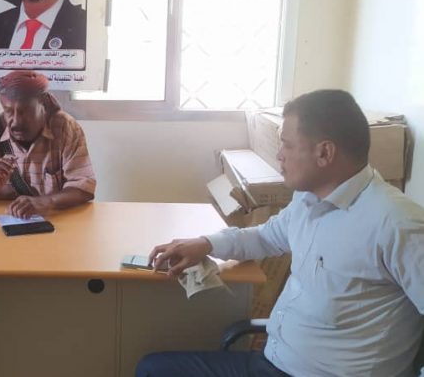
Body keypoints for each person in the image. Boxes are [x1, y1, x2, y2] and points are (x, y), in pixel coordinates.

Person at [137, 90, 424, 377]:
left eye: (287, 145)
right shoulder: (309, 198)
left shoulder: (397, 224)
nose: (279, 155)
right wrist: (206, 243)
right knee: (153, 369)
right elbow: (266, 237)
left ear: (324, 152)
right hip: (274, 363)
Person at [0, 70, 95, 218]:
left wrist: (47, 202)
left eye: (25, 111)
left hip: (53, 222)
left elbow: (84, 188)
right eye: (8, 111)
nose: (16, 121)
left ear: (44, 104)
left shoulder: (65, 128)